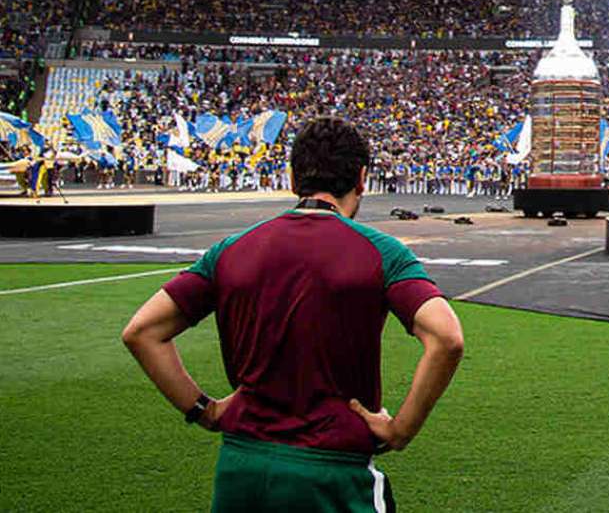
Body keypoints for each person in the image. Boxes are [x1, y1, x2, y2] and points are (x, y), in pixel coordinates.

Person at [121, 117, 464, 512]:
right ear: (362, 178)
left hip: (241, 471)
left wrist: (205, 410)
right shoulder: (381, 252)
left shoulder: (232, 249)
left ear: (292, 177)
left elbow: (142, 331)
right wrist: (400, 429)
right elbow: (447, 337)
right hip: (332, 474)